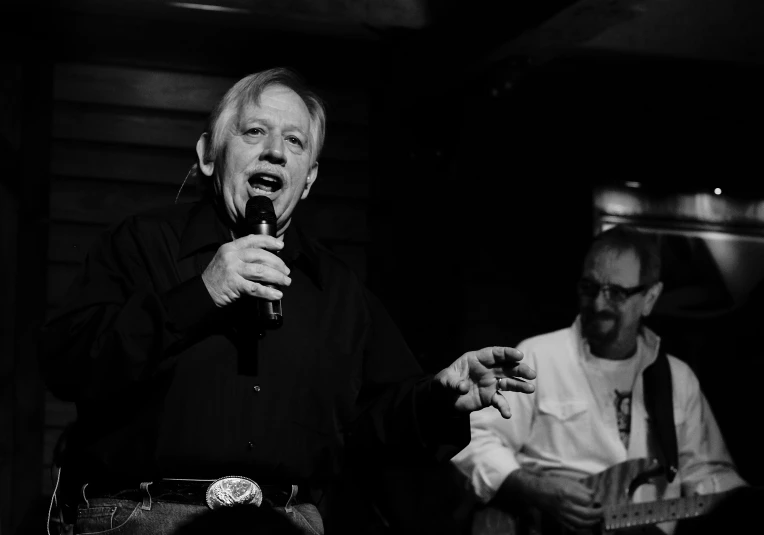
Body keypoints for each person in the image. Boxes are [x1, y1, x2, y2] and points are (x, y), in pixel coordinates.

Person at [39, 67, 536, 535]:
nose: (275, 151)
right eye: (255, 132)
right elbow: (68, 363)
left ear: (310, 178)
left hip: (286, 523)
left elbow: (369, 424)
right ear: (209, 154)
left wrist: (439, 398)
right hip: (147, 520)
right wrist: (201, 294)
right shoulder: (142, 244)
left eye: (294, 141)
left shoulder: (335, 289)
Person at [451, 225, 747, 535]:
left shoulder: (678, 379)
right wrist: (536, 490)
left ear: (650, 297)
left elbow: (706, 472)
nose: (599, 304)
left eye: (617, 293)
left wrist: (737, 500)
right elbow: (472, 441)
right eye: (589, 288)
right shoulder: (538, 356)